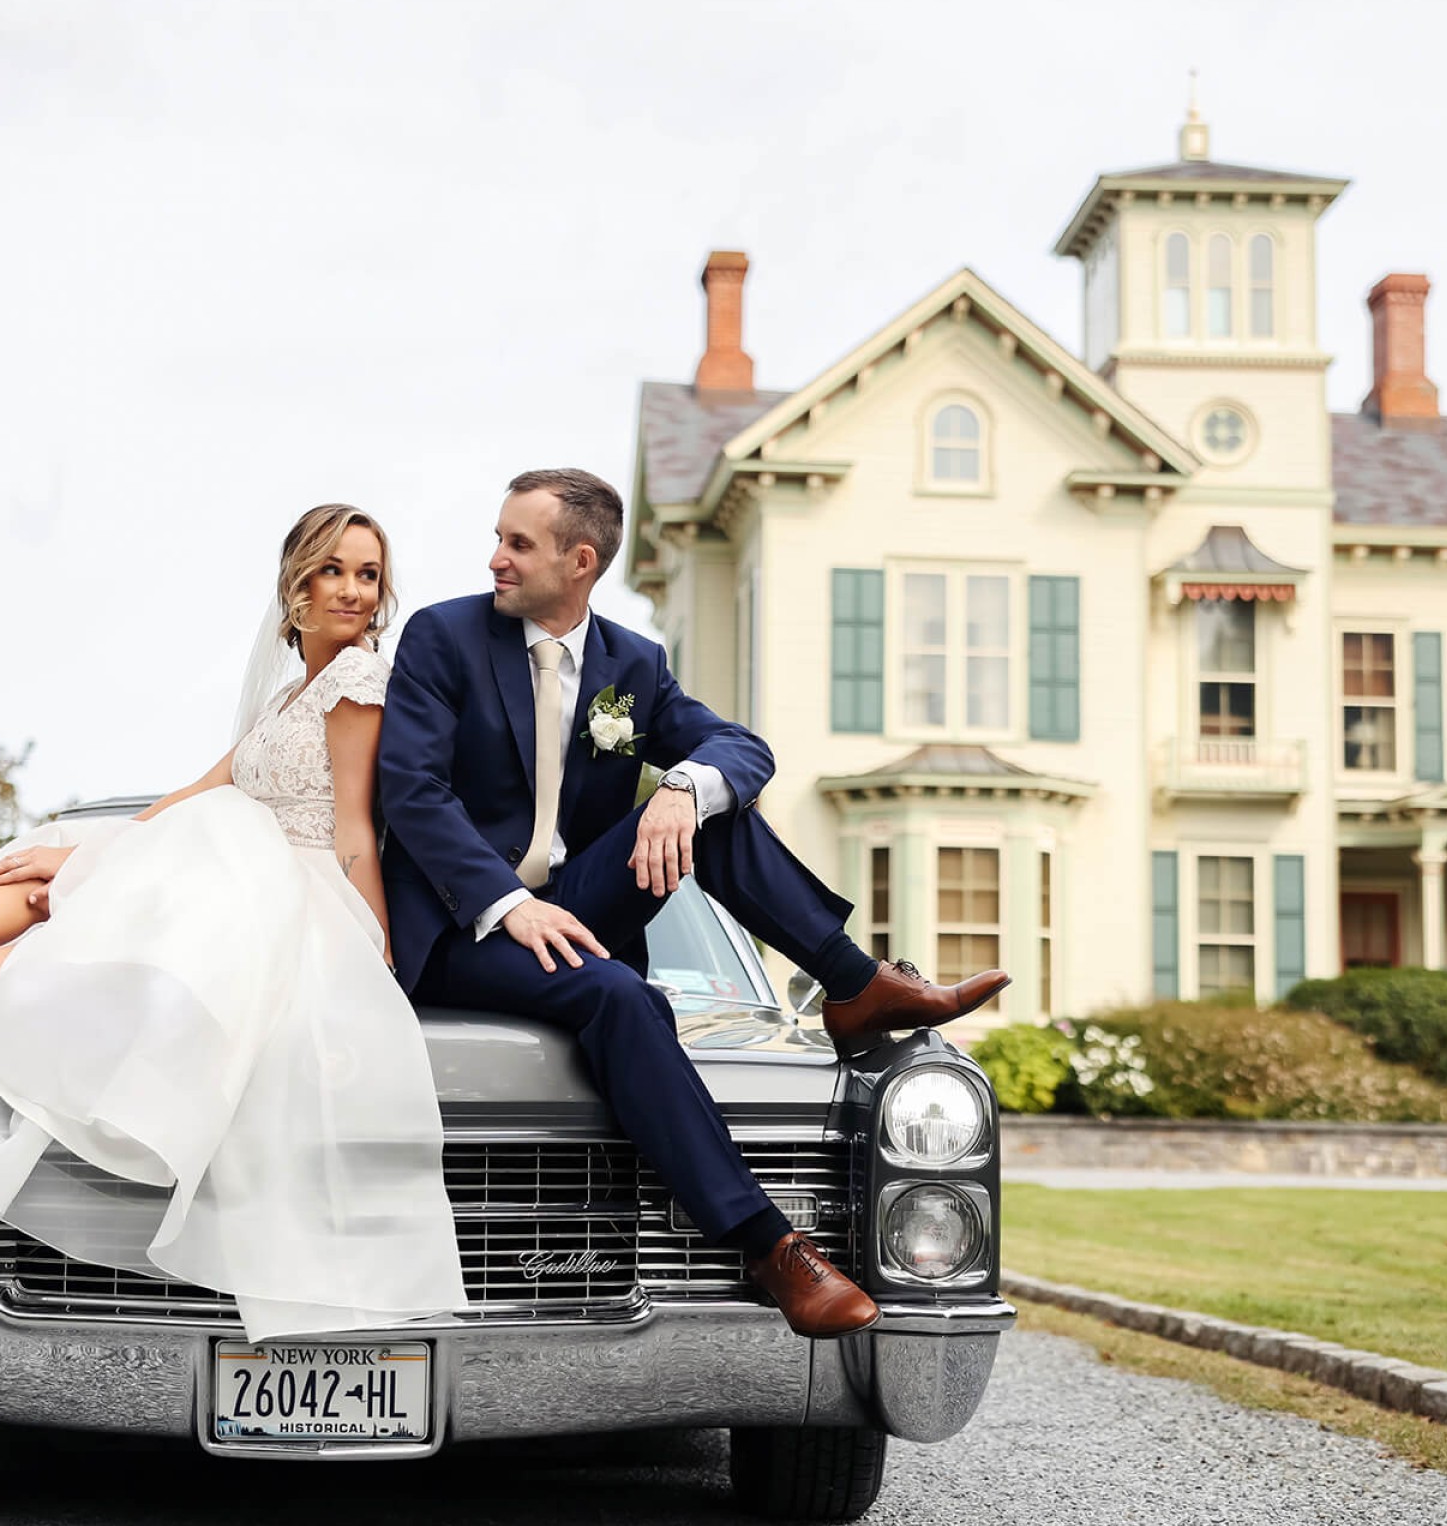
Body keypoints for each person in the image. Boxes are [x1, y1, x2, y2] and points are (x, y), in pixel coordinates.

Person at [0, 504, 467, 1339]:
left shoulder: (358, 684)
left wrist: (372, 935)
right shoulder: (289, 695)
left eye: (367, 574)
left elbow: (356, 822)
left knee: (60, 929)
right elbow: (199, 793)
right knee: (50, 885)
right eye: (334, 570)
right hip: (233, 867)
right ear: (296, 586)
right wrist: (92, 856)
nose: (354, 591)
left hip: (288, 891)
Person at [378, 468, 1008, 1341]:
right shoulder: (443, 638)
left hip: (579, 905)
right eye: (498, 538)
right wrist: (504, 905)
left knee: (711, 806)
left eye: (518, 543)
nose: (496, 559)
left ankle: (853, 986)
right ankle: (769, 1247)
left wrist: (680, 787)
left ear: (581, 561)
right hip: (464, 929)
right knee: (624, 997)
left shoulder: (632, 665)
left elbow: (741, 747)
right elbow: (411, 793)